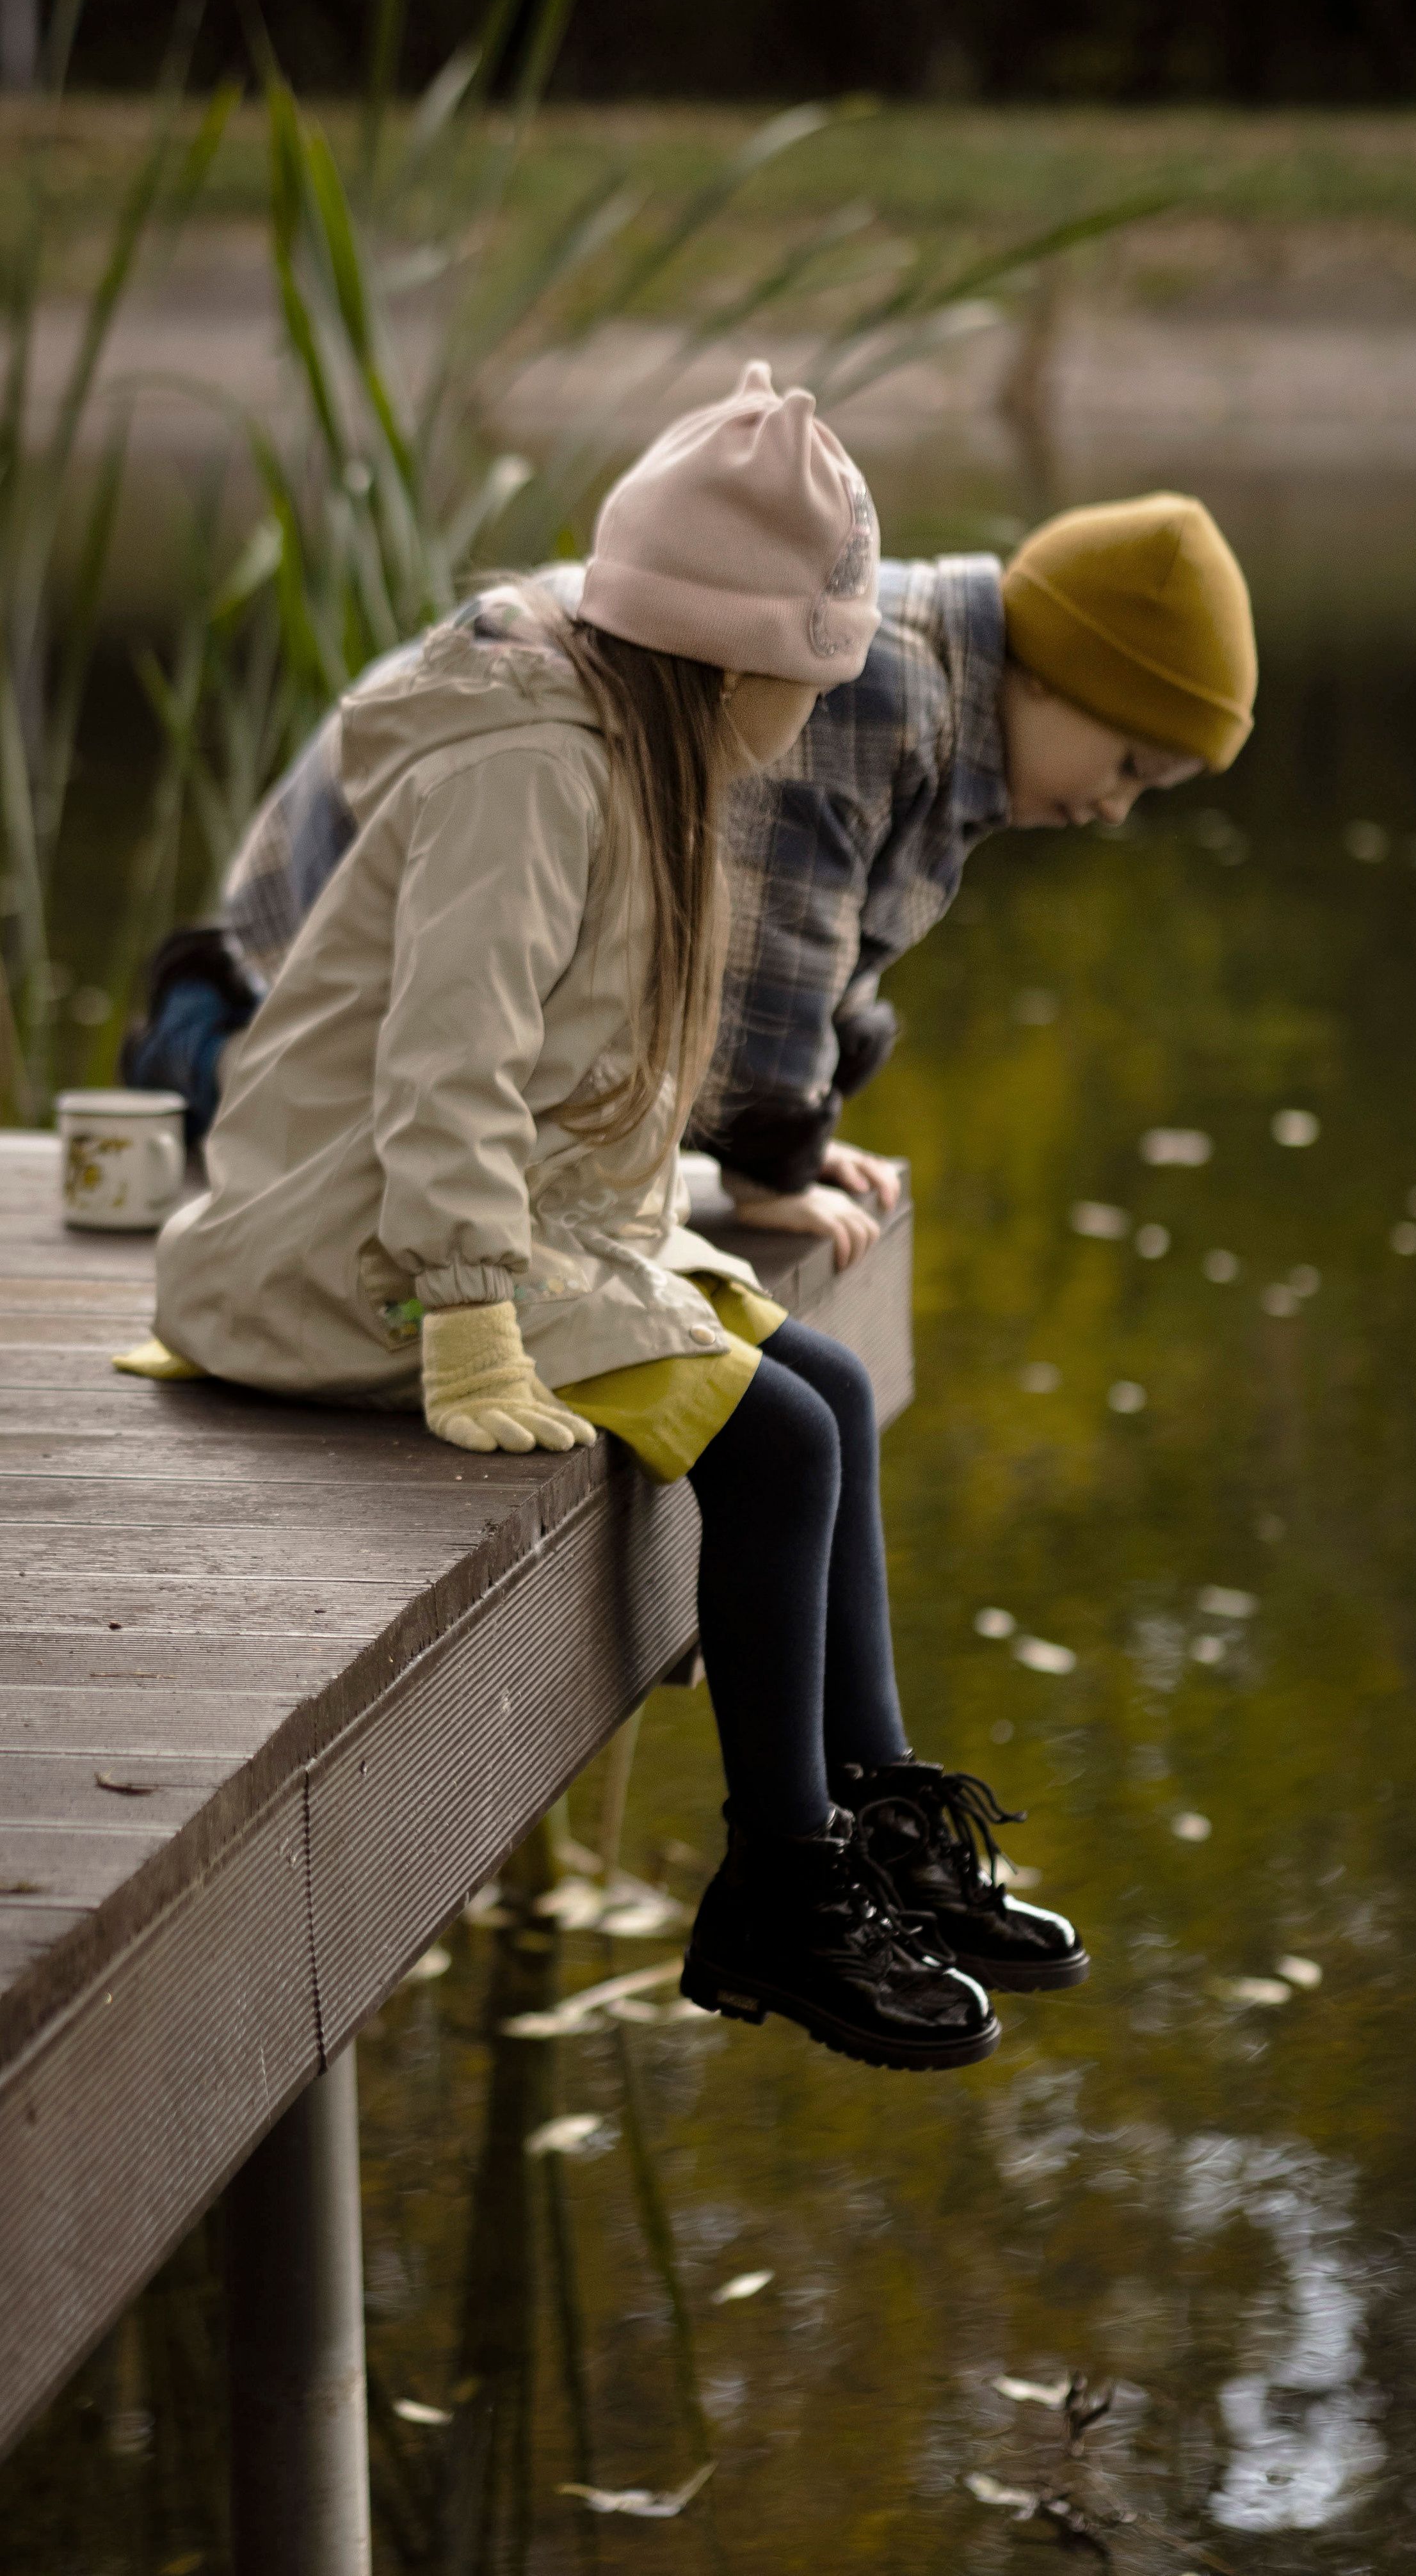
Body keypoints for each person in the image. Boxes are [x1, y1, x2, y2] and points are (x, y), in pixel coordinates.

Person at [117, 364, 1089, 2074]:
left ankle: (867, 1810)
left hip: (479, 1224)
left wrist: (661, 1241)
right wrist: (475, 1308)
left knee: (833, 1397)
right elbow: (451, 1063)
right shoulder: (528, 770)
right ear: (734, 656)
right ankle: (781, 1890)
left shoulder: (642, 746)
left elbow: (581, 1078)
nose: (822, 702)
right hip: (360, 1253)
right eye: (813, 670)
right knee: (776, 1449)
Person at [122, 485, 1257, 1268]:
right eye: (1128, 767)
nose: (1115, 808)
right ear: (1052, 677)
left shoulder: (934, 693)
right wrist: (771, 1169)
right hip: (292, 994)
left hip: (422, 1005)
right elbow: (774, 950)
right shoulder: (877, 681)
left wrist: (800, 1124)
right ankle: (182, 1051)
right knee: (328, 1141)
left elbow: (827, 950)